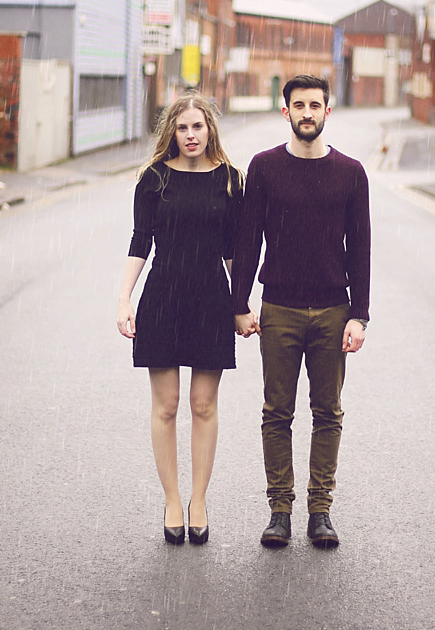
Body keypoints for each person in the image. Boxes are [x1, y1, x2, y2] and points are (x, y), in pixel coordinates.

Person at [231, 75, 371, 549]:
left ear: (328, 112)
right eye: (298, 105)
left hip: (334, 308)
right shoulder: (265, 168)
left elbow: (361, 249)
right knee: (277, 412)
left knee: (327, 412)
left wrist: (360, 314)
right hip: (280, 309)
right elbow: (248, 240)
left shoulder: (351, 173)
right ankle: (279, 511)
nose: (306, 113)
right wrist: (239, 304)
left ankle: (320, 511)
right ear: (285, 111)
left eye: (315, 105)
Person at [117, 93, 243, 545]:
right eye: (183, 128)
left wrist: (242, 306)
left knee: (204, 405)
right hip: (163, 297)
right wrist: (124, 298)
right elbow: (140, 241)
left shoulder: (231, 181)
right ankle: (172, 499)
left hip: (211, 298)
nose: (191, 136)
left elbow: (234, 253)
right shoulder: (153, 180)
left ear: (210, 129)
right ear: (172, 130)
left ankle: (199, 499)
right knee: (166, 405)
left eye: (198, 127)